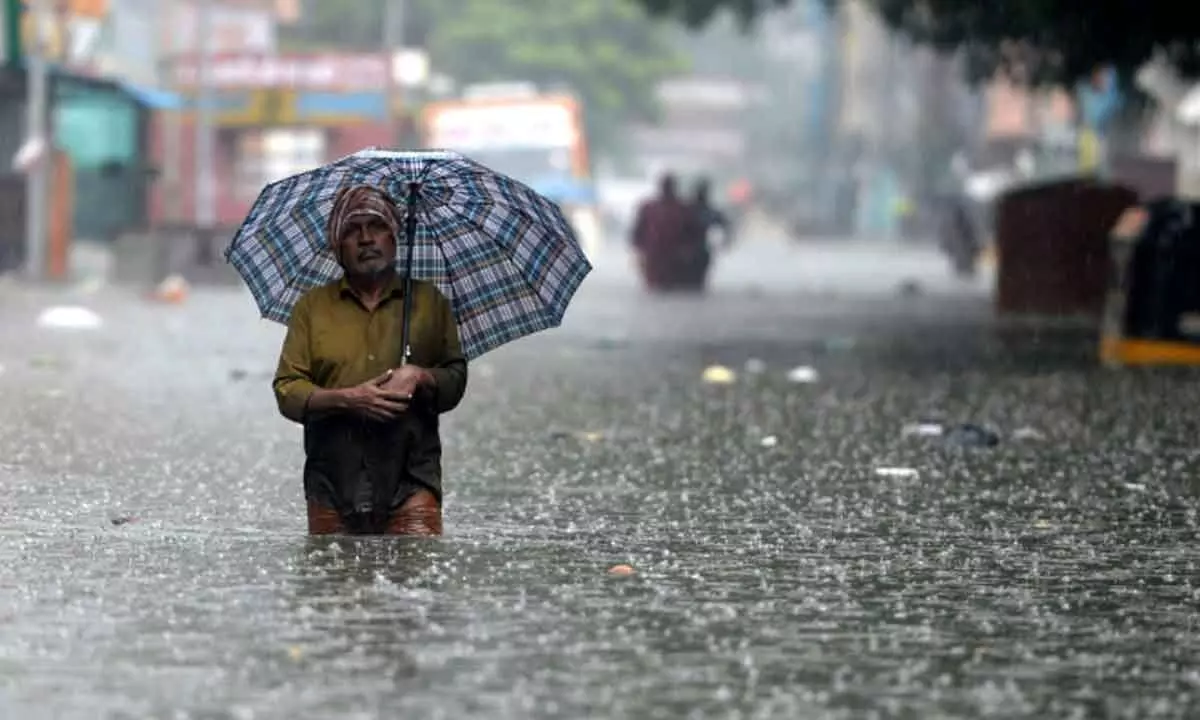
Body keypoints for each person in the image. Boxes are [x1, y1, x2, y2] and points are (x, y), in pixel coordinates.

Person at [272, 185, 468, 536]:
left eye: (376, 226)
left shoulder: (428, 303)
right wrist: (348, 399)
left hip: (411, 478)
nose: (366, 239)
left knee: (417, 581)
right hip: (332, 479)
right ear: (337, 247)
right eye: (351, 230)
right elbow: (288, 391)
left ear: (395, 238)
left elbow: (455, 381)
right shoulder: (312, 308)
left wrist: (421, 376)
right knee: (332, 585)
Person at [630, 172, 692, 292]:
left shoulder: (682, 209)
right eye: (665, 185)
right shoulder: (649, 207)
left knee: (669, 287)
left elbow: (691, 233)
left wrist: (687, 250)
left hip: (673, 257)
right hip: (654, 256)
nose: (667, 189)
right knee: (655, 287)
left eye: (669, 186)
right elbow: (637, 232)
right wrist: (638, 252)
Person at [681, 178, 733, 290]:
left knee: (692, 286)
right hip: (692, 252)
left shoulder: (692, 210)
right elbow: (725, 225)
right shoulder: (688, 210)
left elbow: (725, 225)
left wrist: (725, 243)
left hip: (696, 252)